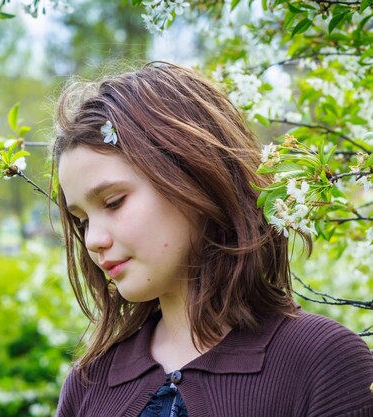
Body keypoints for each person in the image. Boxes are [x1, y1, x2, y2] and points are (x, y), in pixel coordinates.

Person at [50, 62, 373, 417]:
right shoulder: (89, 383)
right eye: (81, 221)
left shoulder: (323, 363)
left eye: (114, 202)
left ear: (195, 176)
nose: (93, 239)